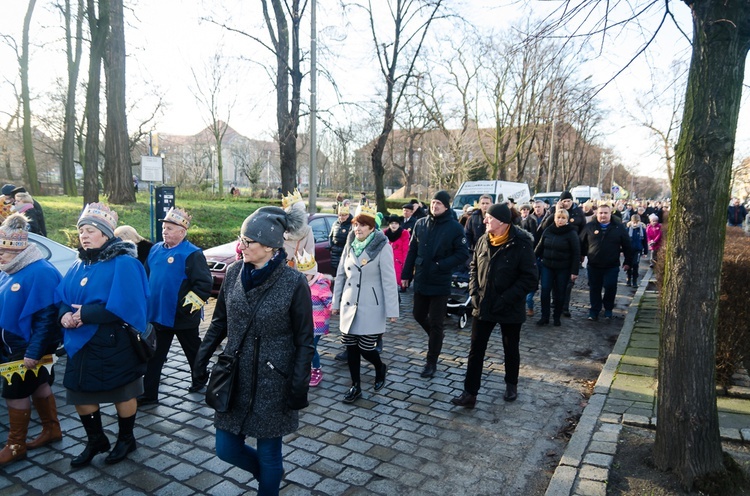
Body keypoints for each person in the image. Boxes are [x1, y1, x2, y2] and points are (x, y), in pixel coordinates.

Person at [193, 206, 314, 495]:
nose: (241, 246)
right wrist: (202, 357)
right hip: (234, 376)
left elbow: (304, 340)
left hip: (274, 381)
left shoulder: (293, 282)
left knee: (270, 453)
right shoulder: (234, 273)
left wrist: (298, 383)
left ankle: (269, 483)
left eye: (248, 242)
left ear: (271, 246)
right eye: (241, 239)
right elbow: (219, 321)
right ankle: (270, 476)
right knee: (226, 448)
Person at [56, 202, 149, 466]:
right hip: (80, 344)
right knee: (78, 392)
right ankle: (96, 439)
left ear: (107, 234)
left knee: (123, 393)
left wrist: (85, 315)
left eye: (90, 230)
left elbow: (130, 306)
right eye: (81, 230)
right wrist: (64, 313)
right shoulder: (78, 265)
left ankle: (126, 439)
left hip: (113, 343)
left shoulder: (124, 263)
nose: (84, 235)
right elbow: (63, 296)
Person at [451, 203, 538, 408]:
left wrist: (506, 298)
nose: (484, 221)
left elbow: (530, 279)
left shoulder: (522, 243)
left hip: (510, 306)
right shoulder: (483, 240)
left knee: (510, 348)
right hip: (484, 304)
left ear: (502, 222)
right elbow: (473, 267)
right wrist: (473, 292)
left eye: (488, 218)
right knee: (476, 350)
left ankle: (511, 384)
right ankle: (470, 393)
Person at [0, 214, 63, 465]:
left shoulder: (41, 272)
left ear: (19, 250)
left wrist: (33, 352)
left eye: (4, 250)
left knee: (14, 392)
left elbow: (47, 318)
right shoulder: (11, 268)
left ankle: (16, 445)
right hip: (14, 344)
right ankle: (52, 430)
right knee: (39, 384)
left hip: (27, 347)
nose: (0, 255)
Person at [140, 207, 213, 406]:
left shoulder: (192, 254)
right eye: (164, 227)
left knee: (193, 351)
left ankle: (200, 379)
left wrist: (186, 309)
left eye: (171, 228)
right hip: (157, 315)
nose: (165, 231)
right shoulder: (155, 249)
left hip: (182, 317)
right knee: (154, 356)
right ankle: (149, 394)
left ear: (182, 232)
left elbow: (204, 285)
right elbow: (146, 277)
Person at [332, 205, 398, 403]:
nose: (357, 229)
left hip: (371, 306)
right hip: (349, 304)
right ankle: (355, 386)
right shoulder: (350, 243)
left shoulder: (382, 246)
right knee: (351, 347)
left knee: (366, 348)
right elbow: (341, 274)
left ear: (371, 228)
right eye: (355, 225)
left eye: (362, 225)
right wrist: (336, 302)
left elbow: (388, 279)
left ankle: (380, 367)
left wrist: (392, 310)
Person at [401, 190, 469, 379]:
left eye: (439, 203)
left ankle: (431, 361)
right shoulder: (421, 223)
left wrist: (442, 265)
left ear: (446, 206)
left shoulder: (455, 227)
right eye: (433, 202)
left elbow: (463, 253)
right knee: (418, 314)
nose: (435, 206)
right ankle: (436, 337)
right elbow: (412, 250)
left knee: (437, 322)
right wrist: (406, 275)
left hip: (440, 280)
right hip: (422, 277)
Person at [579, 202, 632, 322]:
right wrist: (581, 255)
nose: (603, 215)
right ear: (597, 213)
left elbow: (627, 245)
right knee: (594, 288)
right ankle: (594, 310)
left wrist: (628, 261)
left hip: (611, 265)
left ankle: (608, 308)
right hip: (594, 264)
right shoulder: (590, 226)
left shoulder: (618, 227)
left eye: (605, 213)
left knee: (610, 286)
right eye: (601, 213)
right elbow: (581, 242)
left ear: (610, 214)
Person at [540, 191, 586, 318]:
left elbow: (583, 231)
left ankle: (564, 306)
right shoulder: (554, 210)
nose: (566, 203)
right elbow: (544, 226)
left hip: (570, 251)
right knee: (552, 284)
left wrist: (583, 252)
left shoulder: (578, 212)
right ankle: (555, 303)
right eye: (563, 201)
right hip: (553, 253)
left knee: (567, 284)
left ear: (572, 201)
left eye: (568, 201)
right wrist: (555, 211)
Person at [534, 209, 580, 326]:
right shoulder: (548, 230)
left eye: (563, 218)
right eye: (558, 217)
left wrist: (574, 271)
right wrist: (532, 260)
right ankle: (545, 316)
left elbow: (576, 253)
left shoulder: (571, 233)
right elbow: (539, 247)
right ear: (554, 218)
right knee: (545, 291)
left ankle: (556, 316)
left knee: (560, 293)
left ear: (567, 219)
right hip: (547, 266)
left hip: (563, 268)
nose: (560, 220)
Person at [296, 249, 332, 388]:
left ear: (313, 273)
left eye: (306, 275)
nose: (304, 277)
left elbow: (329, 301)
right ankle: (308, 367)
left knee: (311, 347)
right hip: (305, 323)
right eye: (302, 275)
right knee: (305, 346)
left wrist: (334, 308)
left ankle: (316, 369)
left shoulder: (321, 285)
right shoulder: (302, 284)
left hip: (318, 323)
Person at [282, 189, 314, 269]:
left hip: (283, 270)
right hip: (298, 271)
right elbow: (310, 254)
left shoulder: (279, 228)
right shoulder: (307, 230)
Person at [384, 214, 410, 290]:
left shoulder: (404, 233)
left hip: (399, 260)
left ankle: (402, 286)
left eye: (396, 223)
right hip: (387, 259)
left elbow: (406, 249)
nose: (394, 225)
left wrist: (405, 263)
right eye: (392, 223)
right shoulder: (385, 233)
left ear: (399, 224)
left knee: (398, 277)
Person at [329, 203, 353, 275]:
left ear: (348, 215)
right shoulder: (335, 223)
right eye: (340, 215)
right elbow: (330, 236)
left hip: (345, 252)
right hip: (335, 252)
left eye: (344, 215)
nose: (341, 217)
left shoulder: (351, 225)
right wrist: (331, 246)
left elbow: (351, 240)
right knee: (335, 273)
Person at [625, 214, 648, 287]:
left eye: (637, 222)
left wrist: (645, 252)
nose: (635, 224)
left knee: (635, 264)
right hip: (629, 250)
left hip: (638, 250)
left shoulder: (642, 230)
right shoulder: (628, 229)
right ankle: (628, 278)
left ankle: (634, 280)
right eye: (634, 222)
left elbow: (645, 241)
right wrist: (622, 250)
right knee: (629, 264)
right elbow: (624, 240)